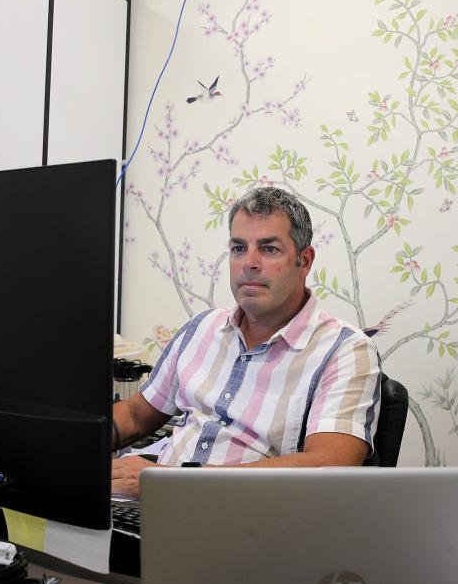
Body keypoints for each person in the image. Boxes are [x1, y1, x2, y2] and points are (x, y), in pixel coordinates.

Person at [110, 187, 381, 496]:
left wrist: (170, 483)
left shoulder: (344, 351)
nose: (249, 262)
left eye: (269, 249)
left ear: (304, 261)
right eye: (239, 248)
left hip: (249, 526)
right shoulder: (202, 327)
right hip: (151, 504)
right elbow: (135, 415)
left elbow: (329, 464)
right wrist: (69, 446)